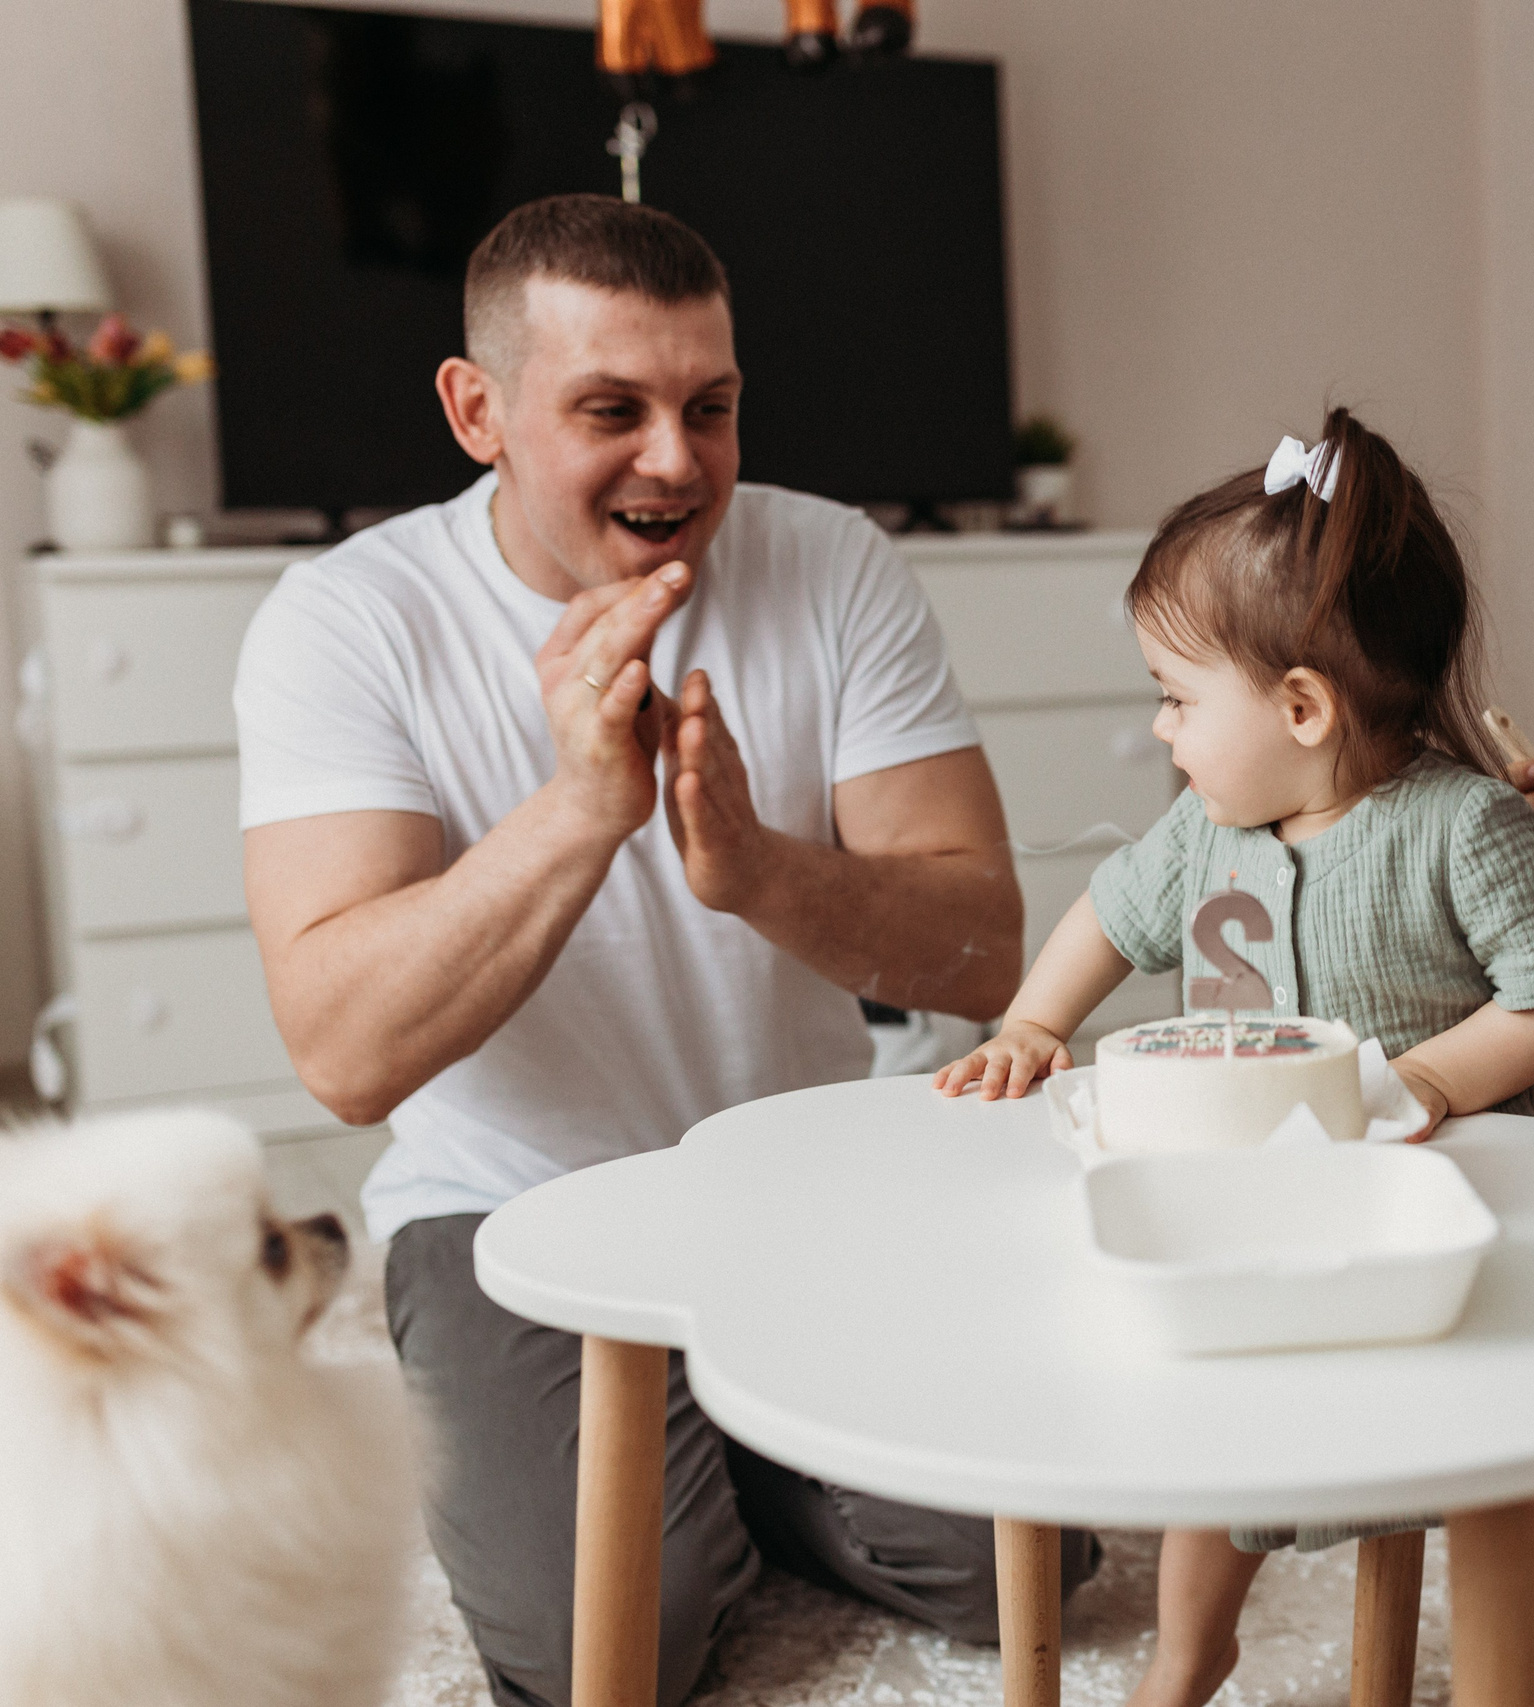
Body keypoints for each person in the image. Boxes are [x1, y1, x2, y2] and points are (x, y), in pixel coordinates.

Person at [234, 194, 1099, 1707]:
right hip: (506, 1215)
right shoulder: (345, 623)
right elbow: (343, 1054)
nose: (677, 461)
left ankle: (718, 1441)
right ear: (477, 410)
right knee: (605, 1654)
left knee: (1016, 1563)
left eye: (711, 407)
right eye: (612, 411)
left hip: (808, 1175)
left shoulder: (835, 566)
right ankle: (701, 1454)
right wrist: (580, 811)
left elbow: (982, 949)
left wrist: (758, 869)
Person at [932, 406, 1534, 1707]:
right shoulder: (1205, 827)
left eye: (1176, 701)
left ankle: (1495, 1674)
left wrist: (1425, 1082)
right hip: (1257, 1196)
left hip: (1453, 1207)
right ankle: (1189, 1658)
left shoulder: (1459, 826)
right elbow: (1105, 916)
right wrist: (1033, 1023)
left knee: (1472, 1458)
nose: (1162, 735)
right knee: (1220, 1437)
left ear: (1301, 706)